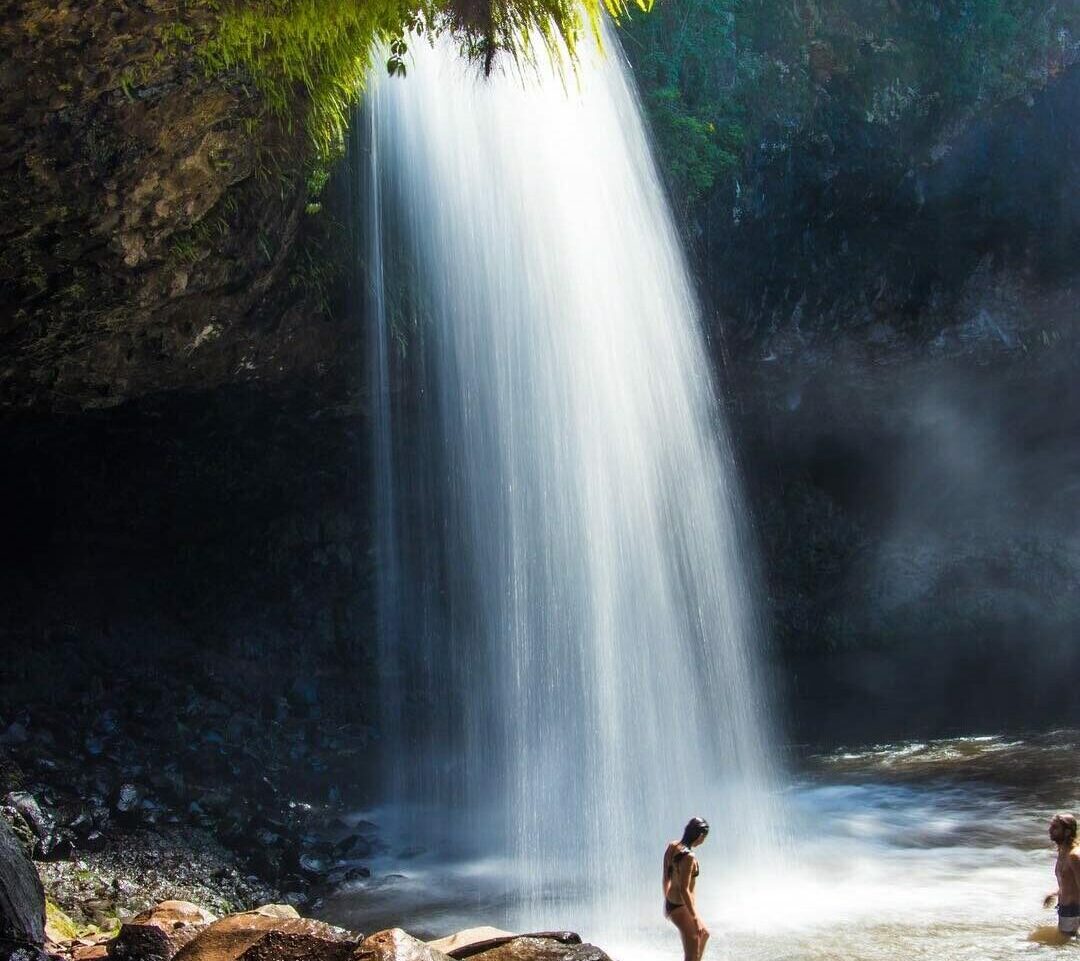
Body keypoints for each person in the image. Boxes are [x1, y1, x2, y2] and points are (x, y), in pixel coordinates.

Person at [662, 817, 710, 961]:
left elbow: (666, 877)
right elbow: (684, 890)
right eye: (705, 837)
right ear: (700, 835)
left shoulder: (672, 846)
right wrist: (694, 918)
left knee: (705, 934)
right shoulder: (689, 857)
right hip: (681, 907)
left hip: (674, 904)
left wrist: (667, 901)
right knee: (692, 951)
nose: (704, 841)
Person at [1044, 813, 1080, 936]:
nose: (1050, 830)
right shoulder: (1062, 852)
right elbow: (1068, 882)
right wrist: (1055, 893)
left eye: (1055, 827)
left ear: (1067, 832)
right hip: (1064, 910)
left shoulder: (1074, 856)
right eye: (1051, 826)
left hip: (1073, 912)